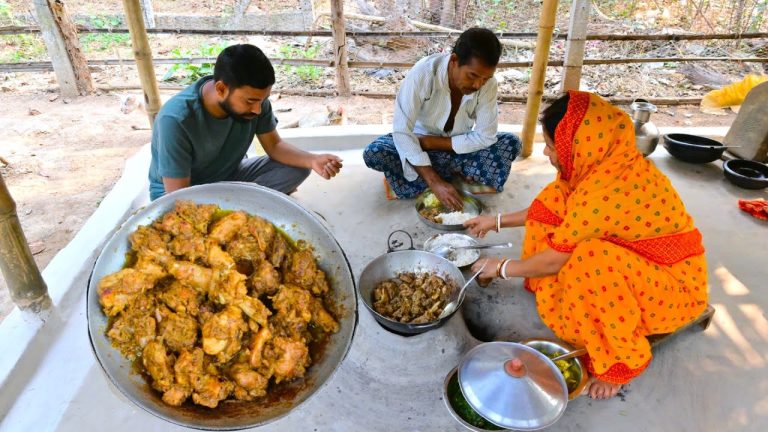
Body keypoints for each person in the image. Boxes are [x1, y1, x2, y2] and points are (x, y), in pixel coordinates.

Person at [464, 91, 708, 399]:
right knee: (556, 195)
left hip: (671, 290)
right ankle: (548, 287)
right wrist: (494, 222)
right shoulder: (605, 166)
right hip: (639, 265)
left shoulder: (604, 194)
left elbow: (554, 261)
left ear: (580, 145)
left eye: (552, 147)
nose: (549, 155)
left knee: (592, 260)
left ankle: (619, 361)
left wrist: (500, 267)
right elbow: (551, 211)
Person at [148, 44, 342, 200]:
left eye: (262, 100)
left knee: (299, 167)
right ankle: (247, 204)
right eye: (250, 101)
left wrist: (313, 160)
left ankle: (244, 203)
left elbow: (275, 146)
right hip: (183, 190)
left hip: (229, 175)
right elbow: (177, 196)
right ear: (221, 89)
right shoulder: (176, 120)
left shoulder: (256, 103)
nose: (257, 110)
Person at [362, 28, 521, 210]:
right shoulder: (423, 73)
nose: (478, 85)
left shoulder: (488, 85)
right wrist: (435, 182)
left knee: (510, 143)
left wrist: (430, 143)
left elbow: (486, 136)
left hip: (448, 147)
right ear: (454, 60)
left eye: (485, 79)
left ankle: (441, 172)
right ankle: (451, 174)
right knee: (375, 152)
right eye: (472, 76)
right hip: (422, 147)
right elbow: (402, 131)